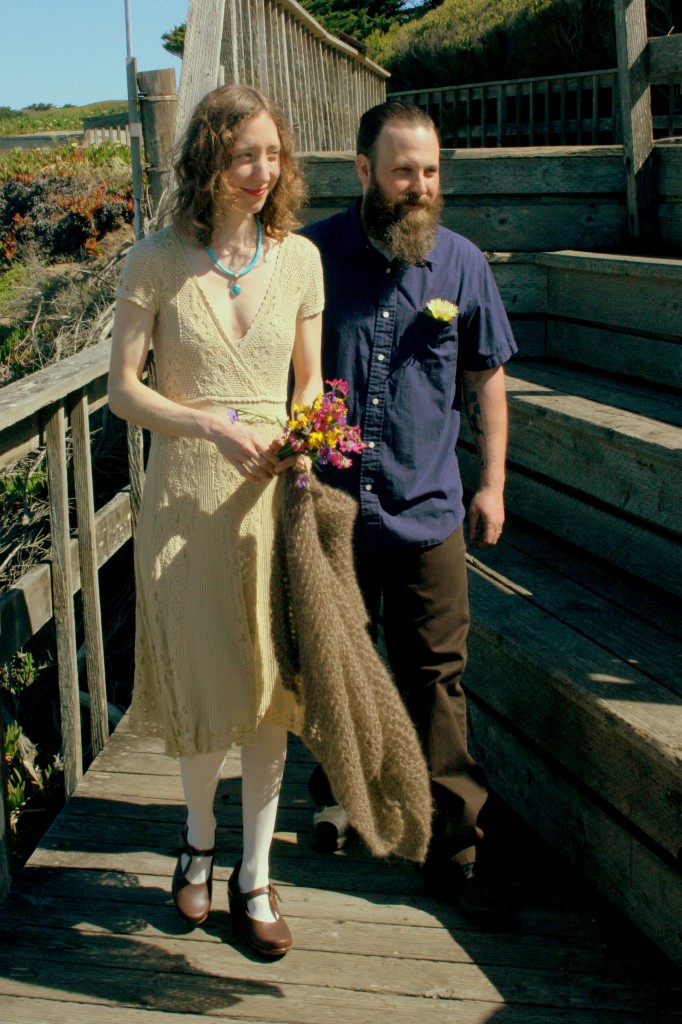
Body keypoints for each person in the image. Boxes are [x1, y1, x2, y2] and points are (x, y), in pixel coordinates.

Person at [108, 84, 324, 956]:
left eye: (272, 154)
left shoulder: (301, 259)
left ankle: (255, 874)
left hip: (272, 498)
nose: (262, 172)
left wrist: (301, 435)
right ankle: (197, 844)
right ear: (207, 159)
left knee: (272, 693)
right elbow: (124, 392)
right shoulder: (154, 260)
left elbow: (309, 381)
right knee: (204, 683)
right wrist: (209, 425)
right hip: (186, 501)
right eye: (244, 156)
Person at [300, 100, 517, 921]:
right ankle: (337, 792)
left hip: (428, 511)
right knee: (335, 664)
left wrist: (492, 484)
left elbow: (486, 378)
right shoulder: (311, 258)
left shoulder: (462, 264)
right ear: (364, 171)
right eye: (402, 172)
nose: (420, 186)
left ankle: (456, 846)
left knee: (437, 680)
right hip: (331, 510)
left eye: (430, 171)